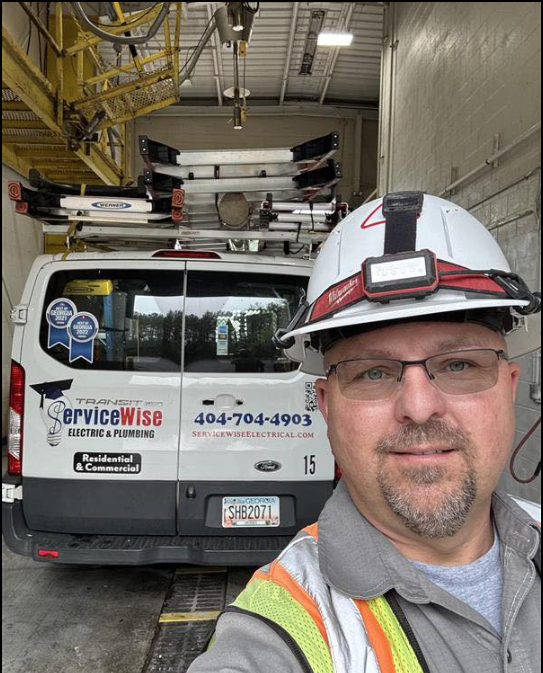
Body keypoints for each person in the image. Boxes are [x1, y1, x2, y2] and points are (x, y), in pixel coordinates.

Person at [188, 192, 541, 673]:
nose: (419, 408)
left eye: (459, 364)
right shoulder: (283, 626)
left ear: (509, 387)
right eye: (373, 373)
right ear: (328, 407)